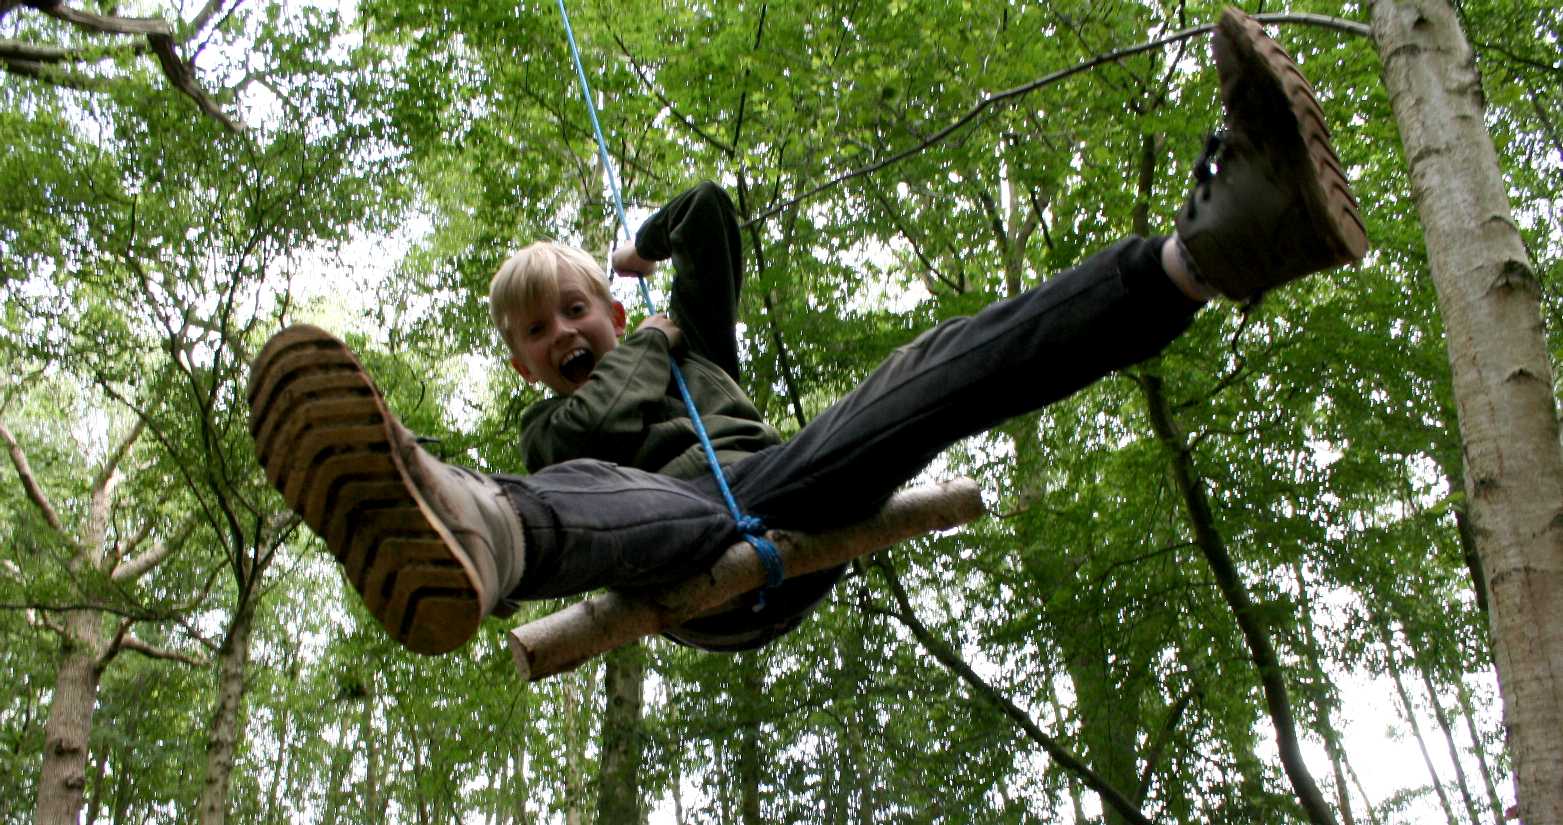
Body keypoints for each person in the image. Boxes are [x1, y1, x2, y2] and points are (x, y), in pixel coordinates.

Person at [247, 9, 1367, 657]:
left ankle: (1214, 249)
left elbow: (713, 216)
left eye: (579, 308)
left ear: (618, 309)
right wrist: (512, 501)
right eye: (540, 331)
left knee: (931, 371)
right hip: (669, 545)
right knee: (622, 500)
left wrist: (639, 248)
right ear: (522, 361)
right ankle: (471, 530)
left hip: (782, 489)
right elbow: (602, 492)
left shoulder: (689, 351)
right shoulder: (555, 437)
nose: (565, 334)